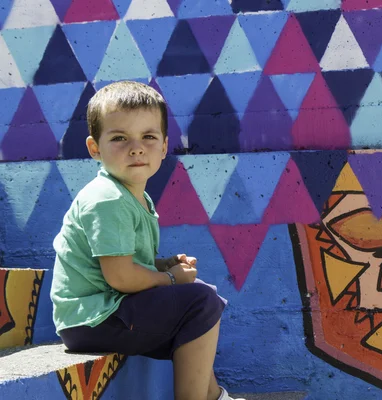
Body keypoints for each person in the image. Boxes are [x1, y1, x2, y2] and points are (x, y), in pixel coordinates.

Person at [50, 81, 243, 400]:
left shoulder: (134, 198)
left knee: (198, 301)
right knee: (199, 302)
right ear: (95, 148)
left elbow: (126, 260)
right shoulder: (106, 199)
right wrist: (169, 278)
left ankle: (215, 397)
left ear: (164, 146)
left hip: (105, 313)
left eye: (148, 137)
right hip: (92, 319)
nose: (136, 147)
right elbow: (121, 276)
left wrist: (163, 264)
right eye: (119, 138)